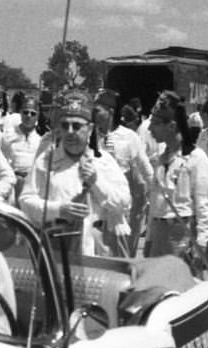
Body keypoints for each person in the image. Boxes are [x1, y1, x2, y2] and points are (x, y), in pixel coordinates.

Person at [18, 90, 129, 256]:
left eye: (76, 126)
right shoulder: (45, 161)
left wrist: (96, 182)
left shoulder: (104, 161)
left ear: (90, 128)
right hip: (57, 248)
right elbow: (26, 201)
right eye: (65, 125)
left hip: (96, 251)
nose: (70, 131)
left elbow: (124, 203)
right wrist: (59, 209)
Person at [143, 92, 208, 267]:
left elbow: (204, 204)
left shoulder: (196, 158)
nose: (150, 128)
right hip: (159, 231)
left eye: (156, 123)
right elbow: (154, 202)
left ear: (172, 126)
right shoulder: (161, 157)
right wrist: (150, 239)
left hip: (181, 233)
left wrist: (202, 243)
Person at [93, 89, 151, 255]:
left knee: (122, 251)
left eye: (98, 111)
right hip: (98, 201)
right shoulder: (90, 136)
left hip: (122, 203)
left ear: (110, 111)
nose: (93, 114)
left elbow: (146, 169)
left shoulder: (129, 137)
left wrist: (152, 196)